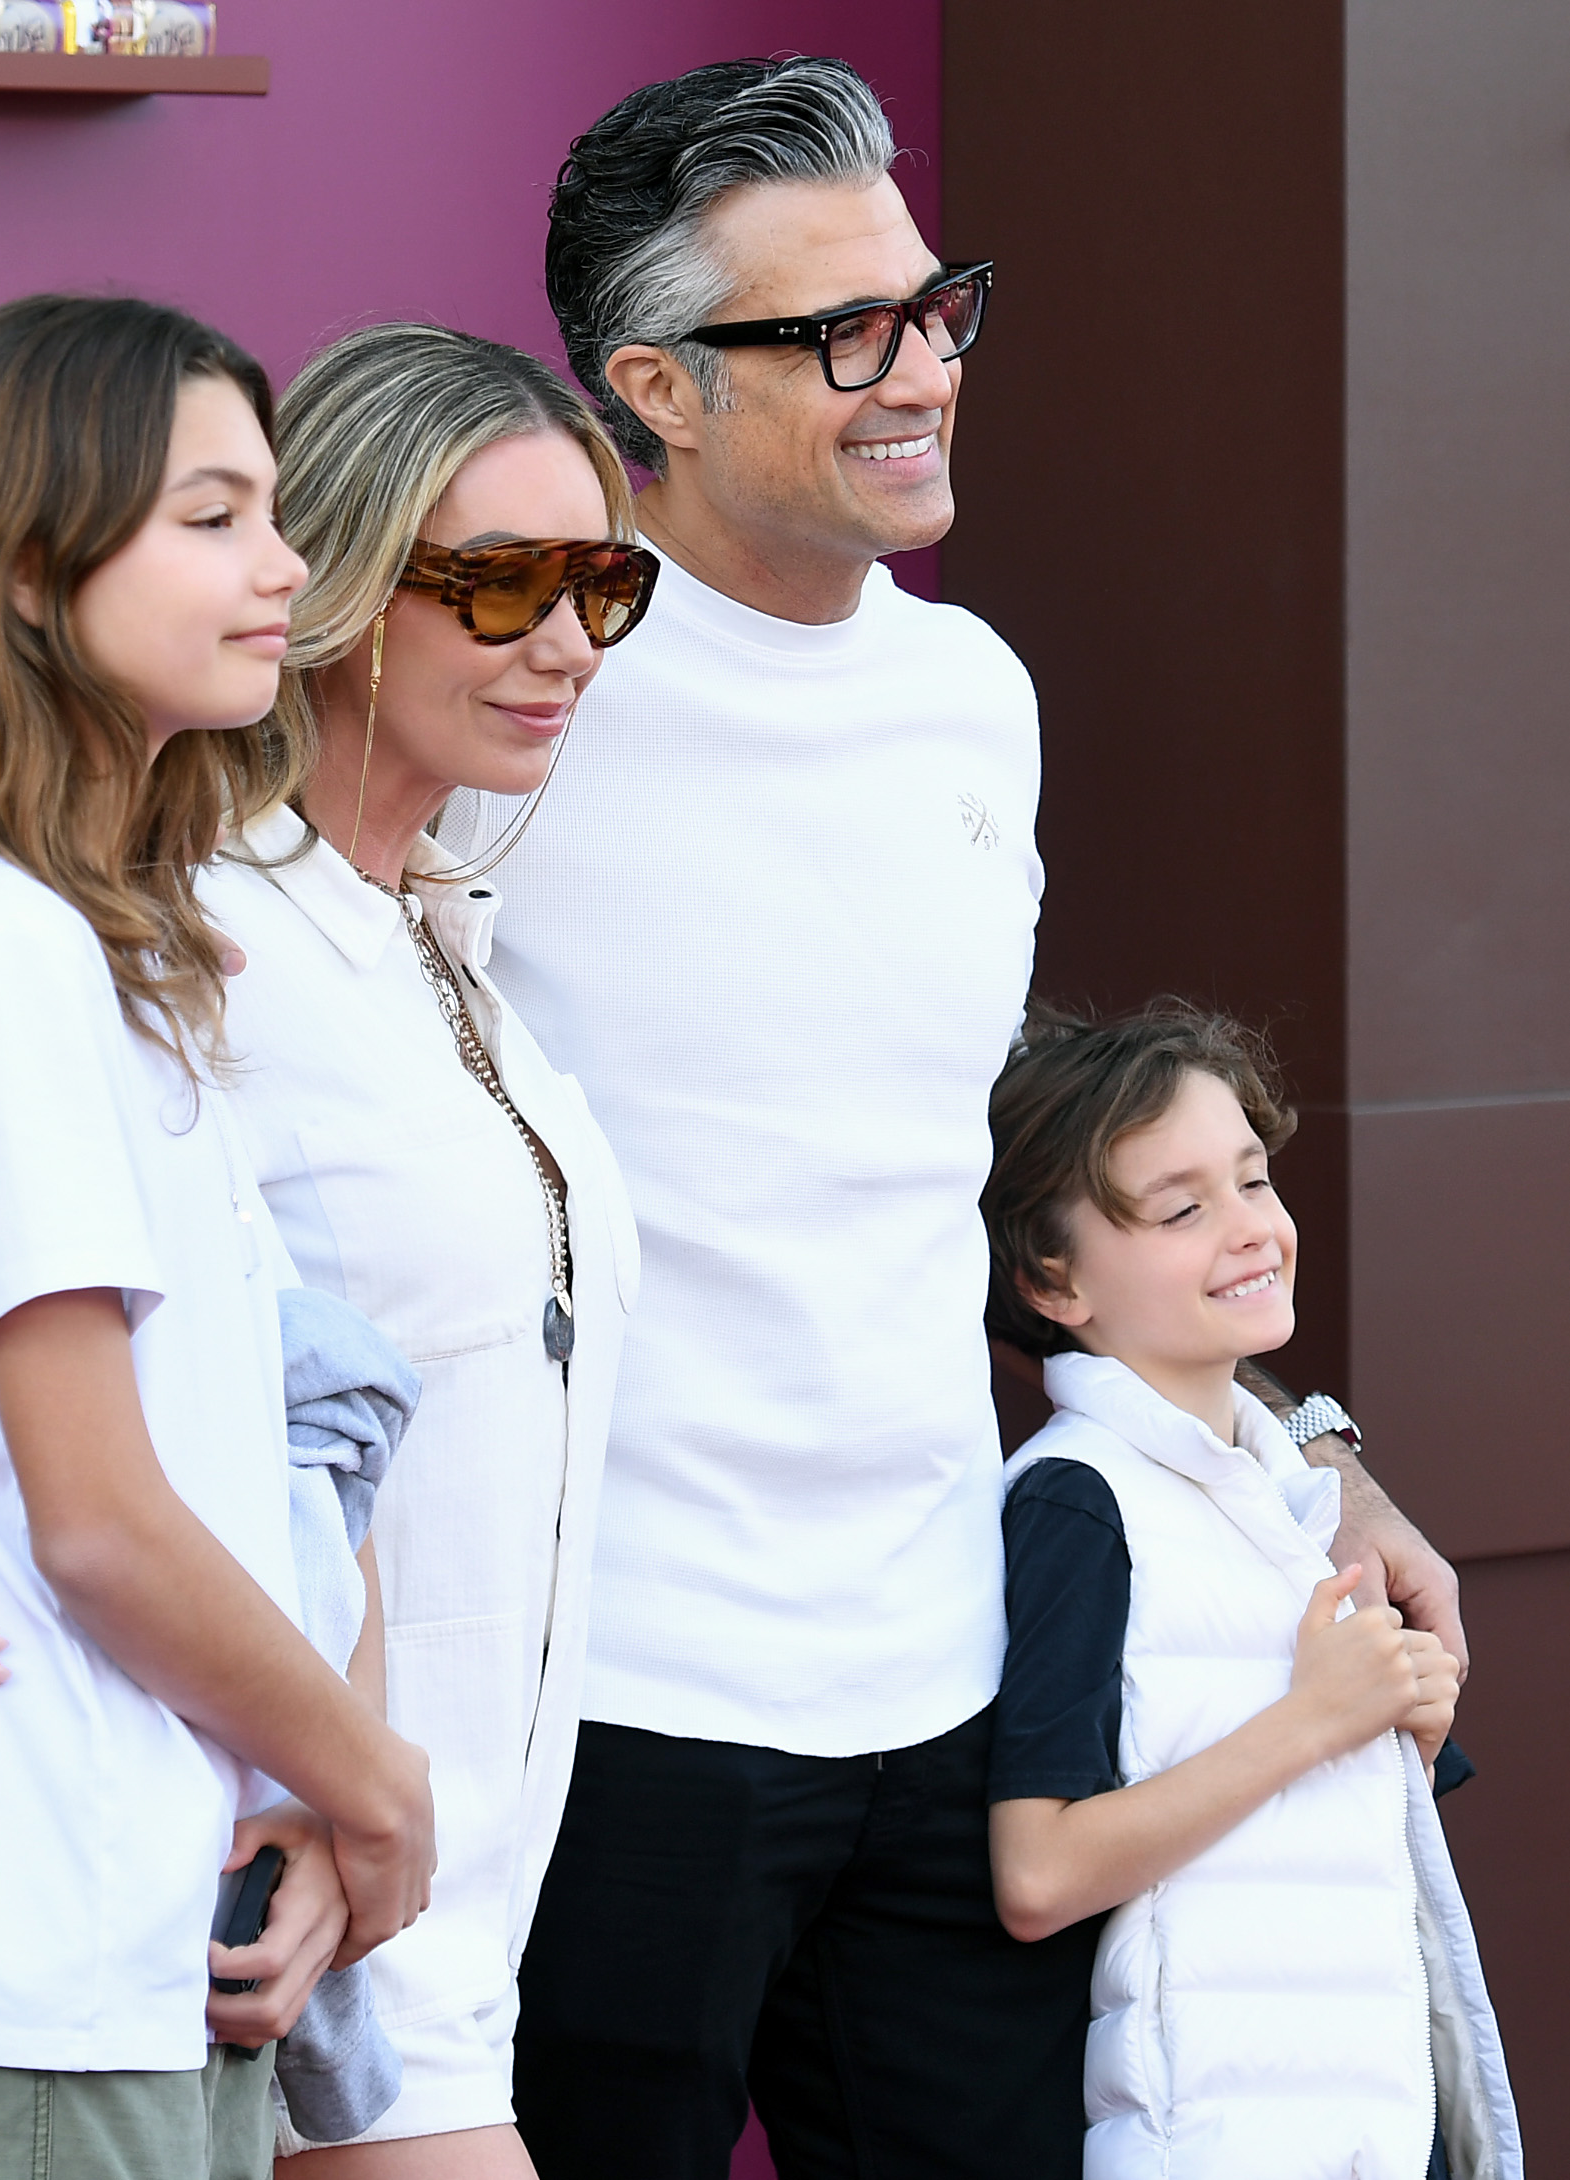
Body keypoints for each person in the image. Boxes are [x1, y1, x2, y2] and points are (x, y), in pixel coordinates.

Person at [437, 55, 1473, 2180]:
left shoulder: (968, 692)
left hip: (949, 1691)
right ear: (656, 385)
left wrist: (1300, 1450)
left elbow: (986, 1177)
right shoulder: (524, 700)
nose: (915, 370)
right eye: (836, 333)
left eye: (932, 306)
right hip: (612, 1701)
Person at [0, 322, 649, 2179]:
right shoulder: (91, 937)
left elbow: (303, 1415)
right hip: (178, 1891)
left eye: (600, 581)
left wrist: (354, 1788)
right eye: (498, 579)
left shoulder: (394, 945)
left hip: (300, 1900)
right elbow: (14, 1452)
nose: (561, 635)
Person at [979, 1003, 1519, 2179]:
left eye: (1253, 1180)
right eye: (1180, 1208)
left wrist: (1397, 1734)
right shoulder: (1076, 1503)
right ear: (1051, 1279)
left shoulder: (1280, 1487)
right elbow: (1037, 1870)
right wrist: (1316, 1719)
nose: (1248, 1229)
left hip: (1375, 2116)